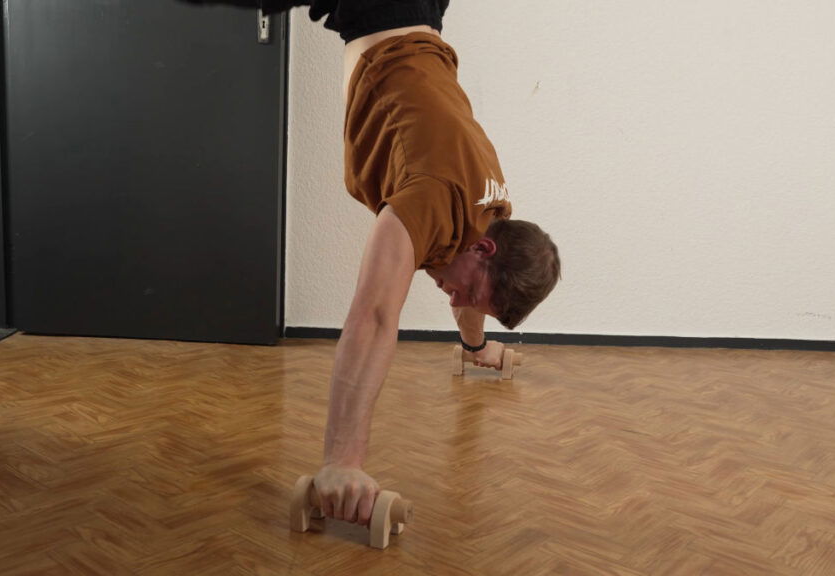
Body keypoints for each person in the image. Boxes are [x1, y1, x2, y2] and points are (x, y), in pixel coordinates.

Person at [188, 0, 561, 525]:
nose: (452, 299)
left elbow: (473, 288)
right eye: (467, 294)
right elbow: (375, 317)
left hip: (421, 16)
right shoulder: (430, 199)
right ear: (486, 249)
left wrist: (476, 346)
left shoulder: (492, 211)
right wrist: (342, 462)